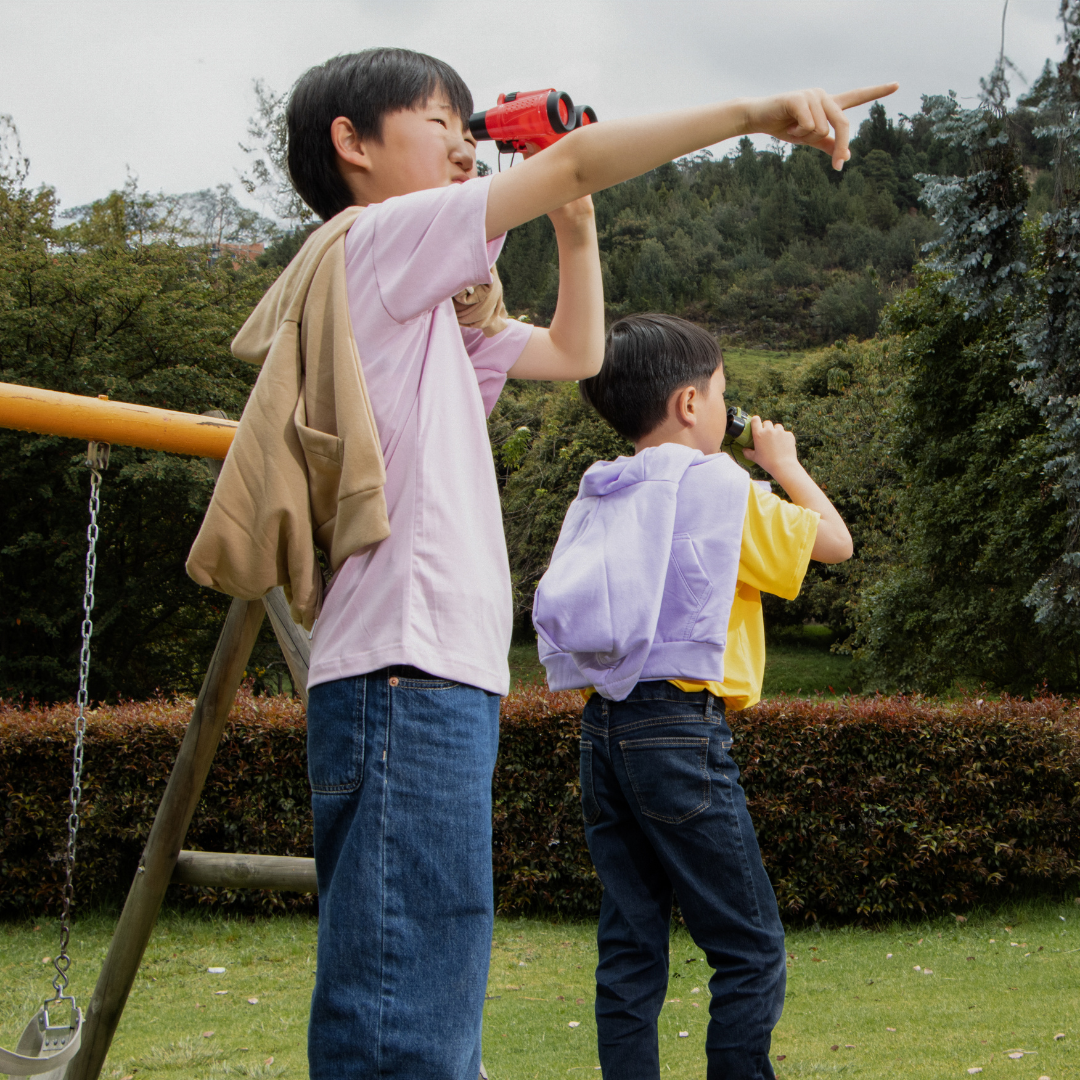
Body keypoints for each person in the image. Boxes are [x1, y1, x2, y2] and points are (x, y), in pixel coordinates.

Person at [188, 45, 891, 1080]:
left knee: (428, 989)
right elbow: (570, 163)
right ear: (355, 145)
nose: (465, 143)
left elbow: (577, 352)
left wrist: (577, 227)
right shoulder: (377, 242)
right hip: (402, 670)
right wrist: (752, 111)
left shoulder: (428, 308)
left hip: (436, 677)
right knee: (405, 1019)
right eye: (440, 122)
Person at [532, 314, 854, 1080]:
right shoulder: (718, 491)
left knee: (631, 944)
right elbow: (835, 541)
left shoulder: (604, 489)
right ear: (688, 403)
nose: (724, 406)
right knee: (748, 947)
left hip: (604, 728)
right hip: (680, 728)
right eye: (720, 392)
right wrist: (783, 461)